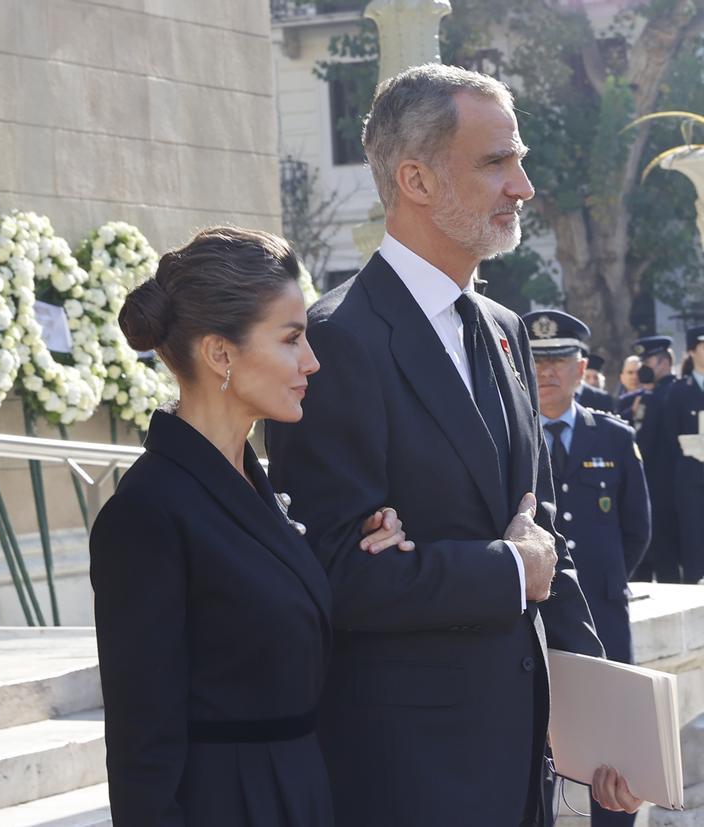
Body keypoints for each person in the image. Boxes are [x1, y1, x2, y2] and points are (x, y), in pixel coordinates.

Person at [265, 64, 638, 826]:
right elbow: (335, 575)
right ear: (417, 180)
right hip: (409, 777)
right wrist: (505, 569)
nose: (524, 186)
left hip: (522, 768)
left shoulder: (503, 329)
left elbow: (545, 540)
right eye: (497, 161)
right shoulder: (336, 342)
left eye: (519, 159)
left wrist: (611, 725)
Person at [91, 227, 413, 826]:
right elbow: (142, 750)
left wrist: (364, 543)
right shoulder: (147, 513)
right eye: (293, 340)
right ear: (221, 354)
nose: (313, 362)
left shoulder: (257, 490)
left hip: (301, 793)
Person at [525, 310, 651, 827]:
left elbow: (636, 531)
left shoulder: (615, 439)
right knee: (537, 755)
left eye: (558, 360)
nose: (547, 372)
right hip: (533, 622)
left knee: (613, 760)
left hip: (602, 617)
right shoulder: (512, 437)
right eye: (536, 361)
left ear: (581, 368)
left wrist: (600, 582)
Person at [632, 335, 682, 582]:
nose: (643, 367)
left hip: (656, 488)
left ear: (664, 362)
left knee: (662, 559)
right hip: (681, 488)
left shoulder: (653, 399)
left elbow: (642, 445)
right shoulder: (681, 391)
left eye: (647, 361)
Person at [664, 326, 704, 583]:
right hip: (692, 478)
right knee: (694, 536)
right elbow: (671, 435)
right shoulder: (679, 390)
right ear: (691, 351)